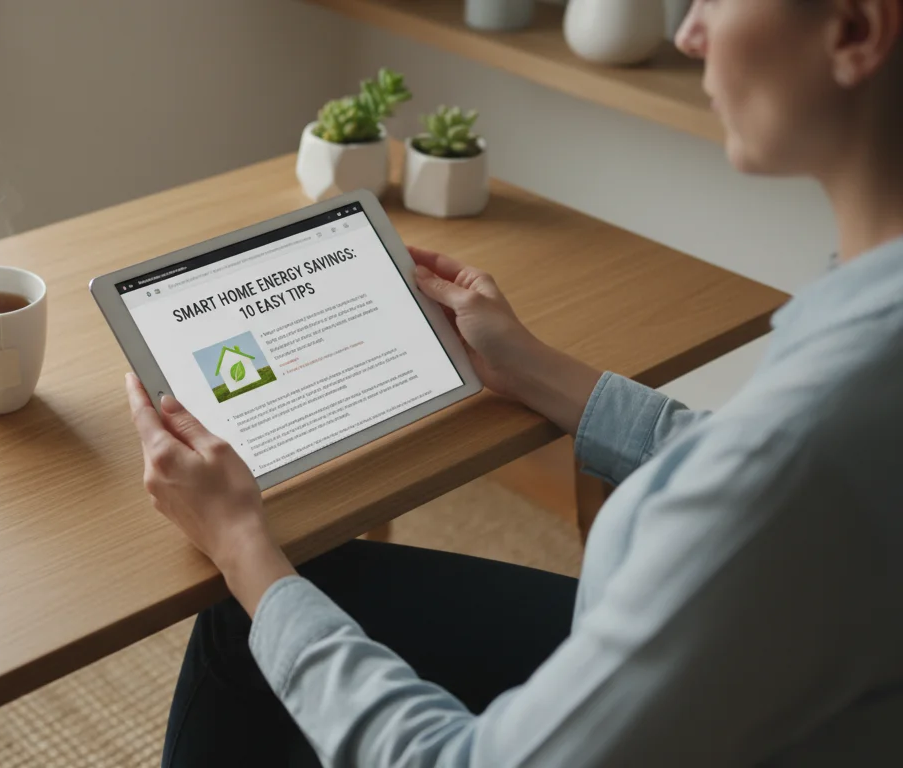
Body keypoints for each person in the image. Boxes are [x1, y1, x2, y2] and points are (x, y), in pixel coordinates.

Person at [127, 0, 903, 764]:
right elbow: (737, 461)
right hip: (775, 667)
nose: (691, 31)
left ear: (855, 29)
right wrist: (533, 367)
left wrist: (239, 543)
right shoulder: (866, 334)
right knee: (305, 583)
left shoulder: (799, 455)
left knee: (252, 609)